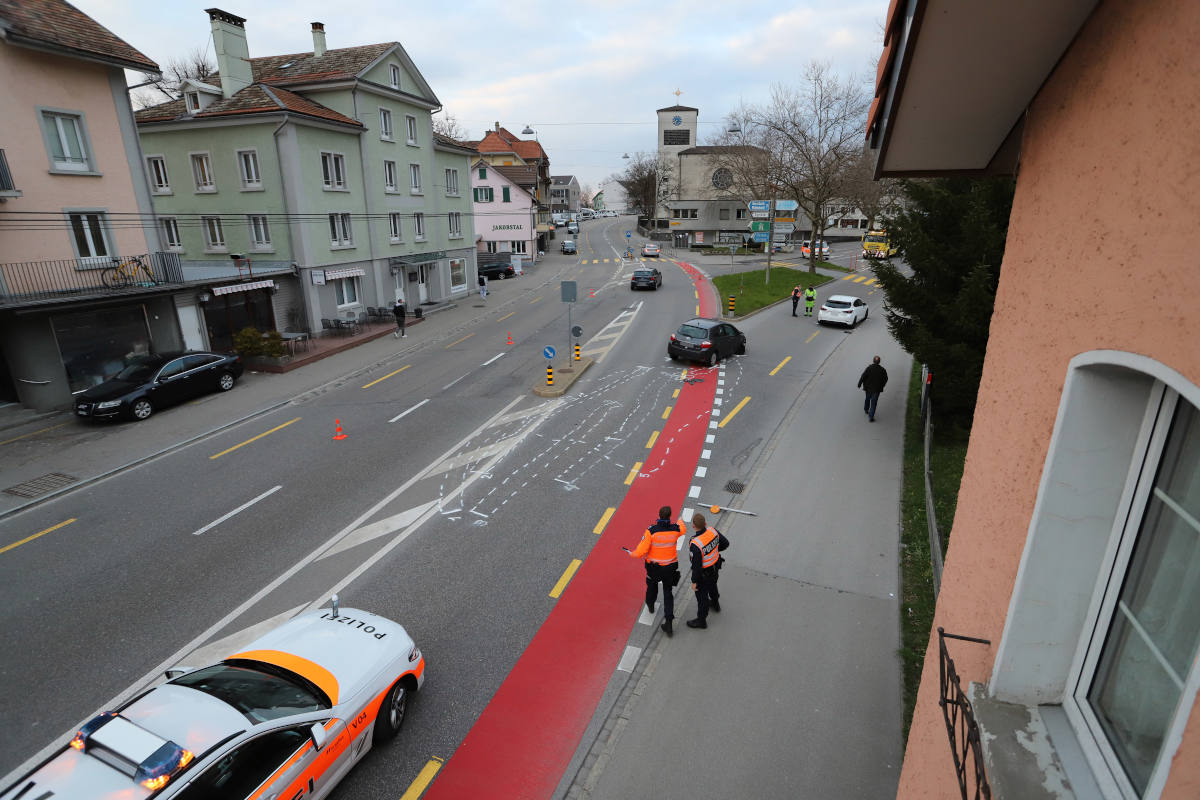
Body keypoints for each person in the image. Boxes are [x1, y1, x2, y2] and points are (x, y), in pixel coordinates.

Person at [627, 505, 688, 637]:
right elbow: (683, 529)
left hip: (654, 568)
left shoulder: (651, 531)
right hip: (670, 567)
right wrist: (680, 520)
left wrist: (631, 553)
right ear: (669, 516)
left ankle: (650, 605)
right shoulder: (675, 529)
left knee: (651, 587)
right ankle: (669, 623)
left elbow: (641, 551)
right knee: (668, 593)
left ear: (659, 516)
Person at [685, 513, 730, 629]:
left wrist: (694, 582)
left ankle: (701, 621)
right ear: (705, 523)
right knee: (713, 586)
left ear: (694, 526)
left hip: (703, 575)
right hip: (715, 568)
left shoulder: (696, 544)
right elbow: (726, 543)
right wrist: (714, 550)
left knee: (702, 598)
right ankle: (716, 604)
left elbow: (697, 566)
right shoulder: (712, 531)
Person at [857, 355, 889, 422]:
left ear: (873, 361)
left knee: (867, 399)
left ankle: (866, 409)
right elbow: (886, 379)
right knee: (874, 403)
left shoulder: (869, 368)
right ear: (879, 362)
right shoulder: (882, 370)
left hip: (868, 388)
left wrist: (859, 384)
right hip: (876, 390)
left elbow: (863, 376)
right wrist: (882, 385)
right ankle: (871, 416)